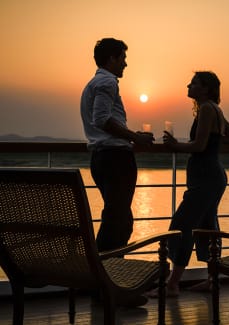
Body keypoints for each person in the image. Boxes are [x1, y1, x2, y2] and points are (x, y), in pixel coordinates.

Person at [151, 71, 229, 297]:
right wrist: (214, 143)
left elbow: (198, 146)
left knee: (182, 226)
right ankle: (212, 280)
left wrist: (174, 145)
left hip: (206, 178)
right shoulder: (213, 109)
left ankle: (172, 284)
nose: (188, 85)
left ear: (206, 88)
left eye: (194, 83)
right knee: (207, 227)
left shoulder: (208, 109)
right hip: (212, 175)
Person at [80, 38, 154, 253]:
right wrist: (135, 138)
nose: (125, 63)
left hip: (102, 158)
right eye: (123, 58)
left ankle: (106, 274)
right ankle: (103, 276)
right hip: (115, 160)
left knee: (119, 219)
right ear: (112, 58)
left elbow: (103, 120)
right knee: (117, 221)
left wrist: (131, 136)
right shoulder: (107, 82)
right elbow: (102, 119)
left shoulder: (93, 84)